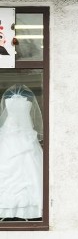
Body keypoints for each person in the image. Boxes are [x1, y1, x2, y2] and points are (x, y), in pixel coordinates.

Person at [0, 84, 43, 220]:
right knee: (27, 165)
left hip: (12, 132)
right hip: (20, 132)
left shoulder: (8, 98)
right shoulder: (28, 99)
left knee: (13, 166)